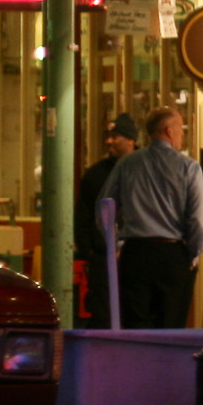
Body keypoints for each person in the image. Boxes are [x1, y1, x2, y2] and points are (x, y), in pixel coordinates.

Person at [103, 107, 203, 329]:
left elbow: (105, 207)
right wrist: (191, 254)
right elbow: (200, 220)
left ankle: (138, 364)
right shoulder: (188, 168)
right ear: (169, 130)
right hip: (173, 256)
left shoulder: (127, 164)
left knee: (136, 328)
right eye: (181, 129)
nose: (182, 134)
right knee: (171, 328)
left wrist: (115, 244)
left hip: (135, 254)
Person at [74, 113, 138, 327]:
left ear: (131, 140)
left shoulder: (143, 170)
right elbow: (82, 217)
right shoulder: (95, 174)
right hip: (102, 257)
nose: (109, 141)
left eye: (116, 136)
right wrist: (90, 252)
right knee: (103, 313)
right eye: (108, 136)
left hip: (136, 253)